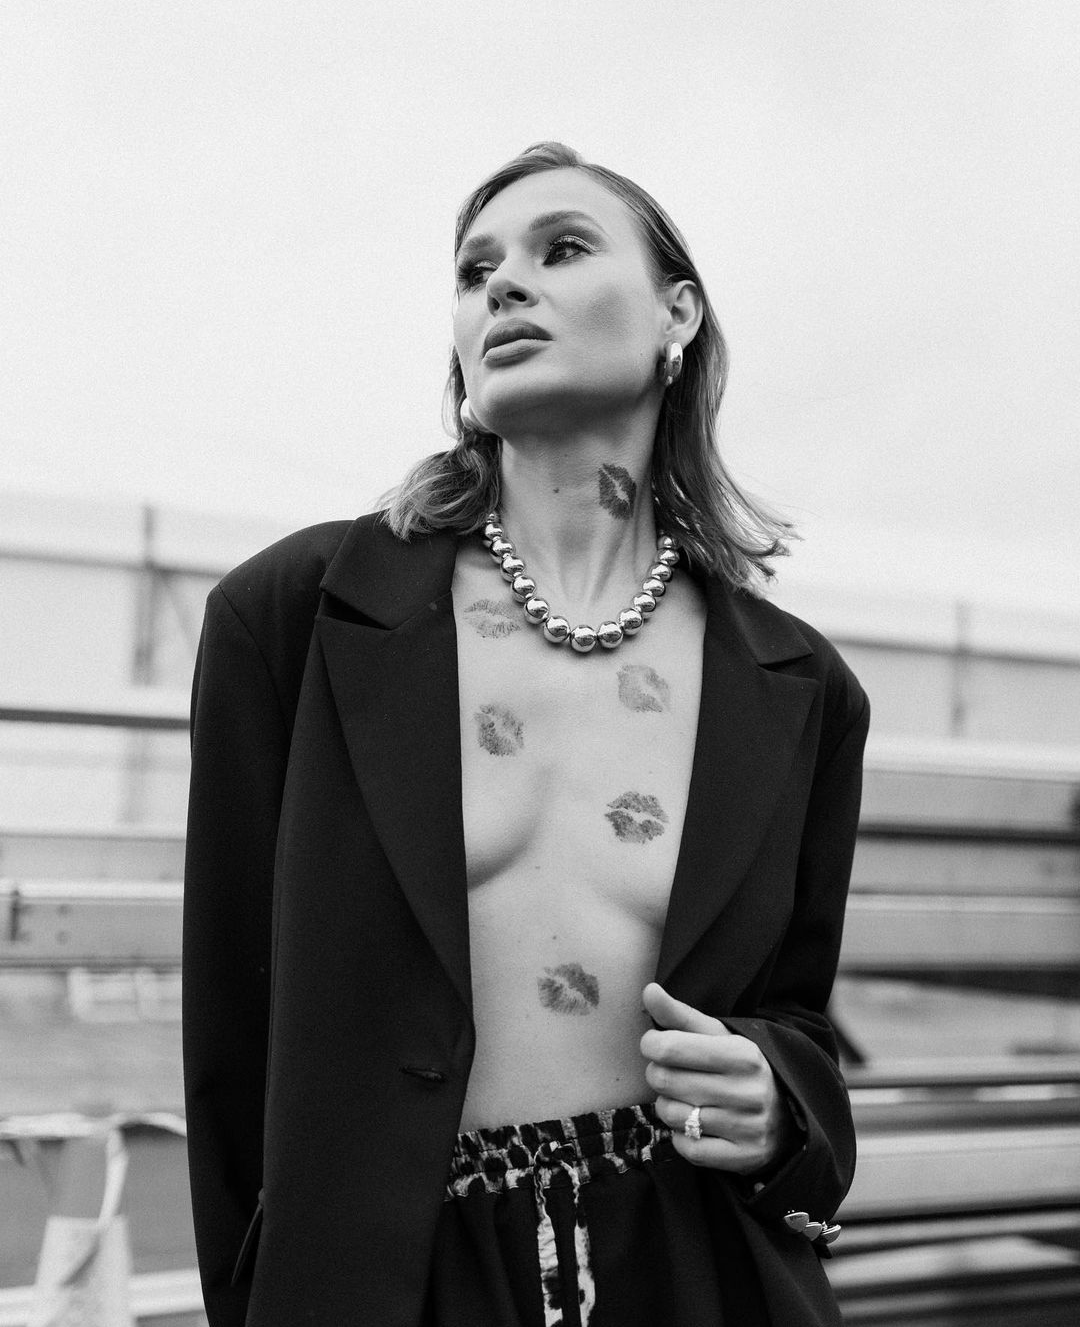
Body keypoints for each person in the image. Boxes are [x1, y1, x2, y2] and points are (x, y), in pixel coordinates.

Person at [182, 141, 870, 1327]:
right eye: (475, 271)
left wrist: (777, 1101)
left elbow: (800, 1020)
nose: (503, 285)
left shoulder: (797, 685)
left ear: (677, 314)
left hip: (695, 1268)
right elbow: (232, 1047)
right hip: (405, 1280)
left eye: (563, 249)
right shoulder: (295, 620)